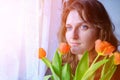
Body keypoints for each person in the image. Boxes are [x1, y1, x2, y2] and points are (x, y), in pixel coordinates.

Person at [58, 0, 120, 80]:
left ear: (100, 30)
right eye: (69, 28)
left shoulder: (114, 68)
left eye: (84, 27)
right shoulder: (58, 65)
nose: (73, 36)